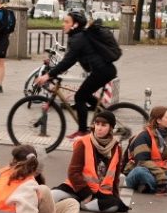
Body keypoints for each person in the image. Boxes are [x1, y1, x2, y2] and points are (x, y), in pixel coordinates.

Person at [33, 11, 117, 139]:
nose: (63, 24)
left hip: (102, 71)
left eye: (67, 22)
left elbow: (68, 61)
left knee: (79, 97)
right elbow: (69, 60)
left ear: (75, 25)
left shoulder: (78, 38)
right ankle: (105, 116)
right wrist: (54, 73)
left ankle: (83, 131)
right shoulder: (79, 36)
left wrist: (48, 75)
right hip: (103, 70)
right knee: (86, 95)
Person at [52, 110, 130, 213]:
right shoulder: (83, 142)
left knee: (115, 206)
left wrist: (116, 197)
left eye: (103, 125)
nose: (99, 128)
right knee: (51, 196)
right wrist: (86, 193)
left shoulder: (116, 148)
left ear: (111, 128)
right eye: (97, 124)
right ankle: (78, 201)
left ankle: (81, 205)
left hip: (100, 193)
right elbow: (73, 172)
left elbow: (115, 178)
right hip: (78, 187)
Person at [124, 106, 167, 195]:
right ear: (158, 120)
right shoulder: (144, 136)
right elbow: (142, 162)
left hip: (159, 172)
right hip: (140, 172)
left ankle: (151, 186)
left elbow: (163, 161)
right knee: (140, 172)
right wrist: (160, 174)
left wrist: (161, 173)